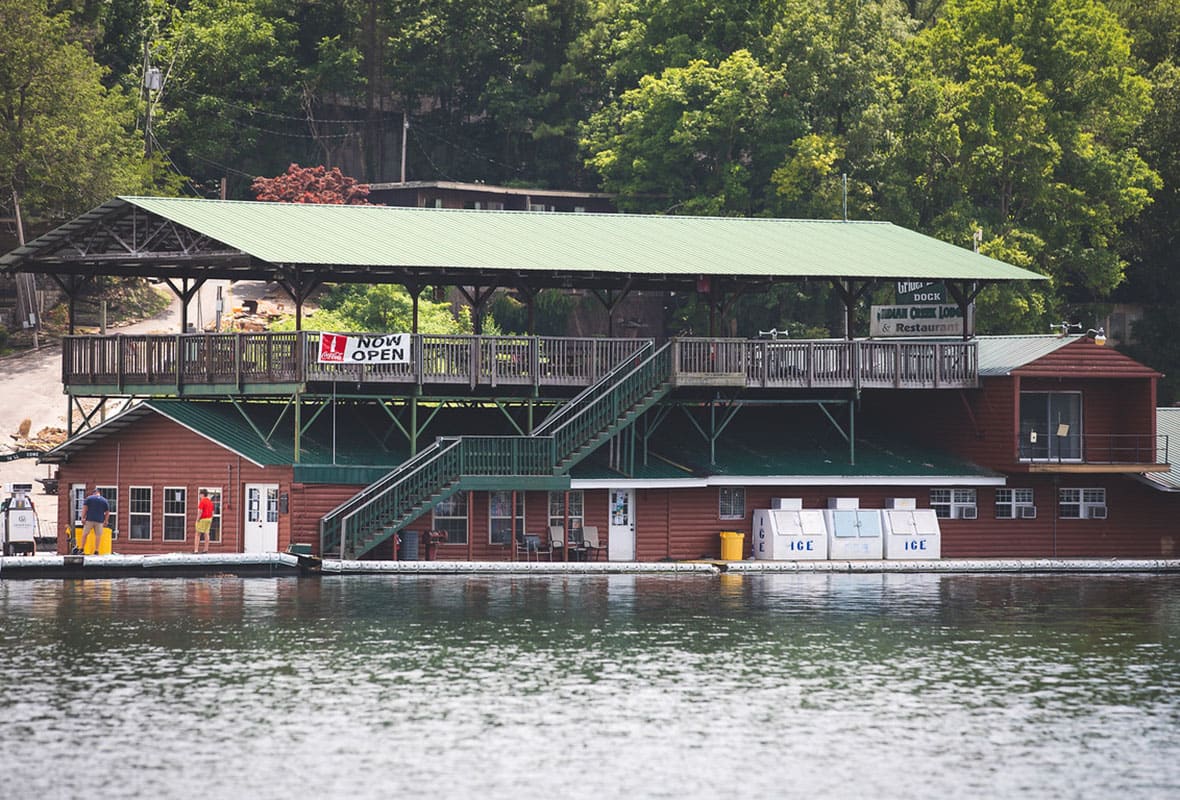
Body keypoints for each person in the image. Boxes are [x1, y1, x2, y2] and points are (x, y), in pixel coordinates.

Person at [81, 487, 110, 551]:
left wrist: (83, 518)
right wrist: (106, 521)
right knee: (98, 536)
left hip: (89, 519)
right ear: (99, 493)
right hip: (99, 521)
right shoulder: (104, 500)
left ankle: (82, 548)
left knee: (85, 534)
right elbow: (107, 512)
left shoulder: (89, 498)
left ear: (93, 493)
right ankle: (96, 550)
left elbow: (84, 509)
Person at [193, 489, 214, 554]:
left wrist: (197, 519)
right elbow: (213, 512)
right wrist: (211, 518)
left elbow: (200, 511)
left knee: (198, 534)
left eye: (200, 494)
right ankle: (206, 549)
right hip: (209, 519)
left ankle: (196, 550)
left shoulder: (202, 501)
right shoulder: (210, 502)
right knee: (206, 533)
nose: (199, 496)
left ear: (202, 494)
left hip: (203, 519)